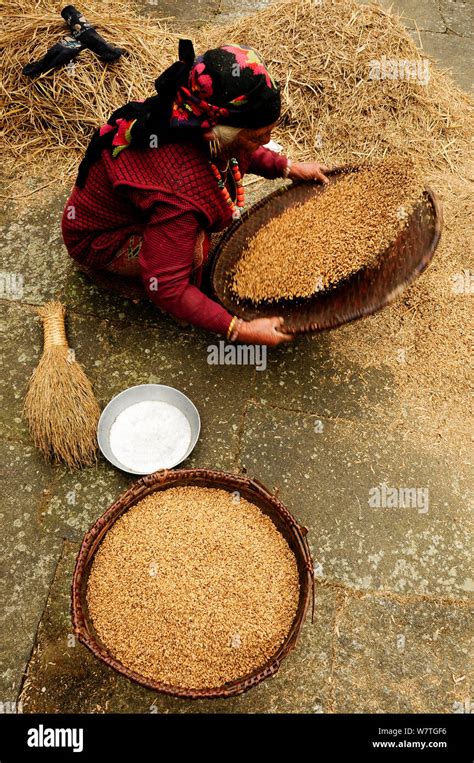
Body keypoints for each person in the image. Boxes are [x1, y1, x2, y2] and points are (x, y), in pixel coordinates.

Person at [62, 40, 329, 345]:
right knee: (193, 250)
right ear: (216, 133)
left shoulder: (191, 113)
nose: (268, 140)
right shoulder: (179, 191)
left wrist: (287, 167)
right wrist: (239, 330)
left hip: (142, 204)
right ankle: (123, 282)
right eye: (259, 136)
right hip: (100, 240)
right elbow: (165, 285)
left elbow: (240, 149)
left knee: (197, 224)